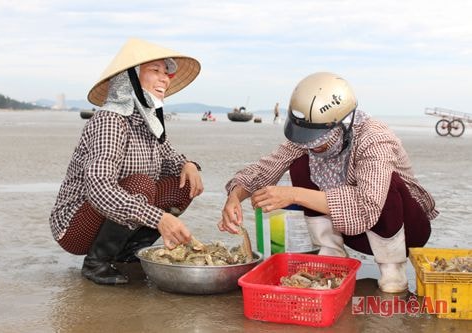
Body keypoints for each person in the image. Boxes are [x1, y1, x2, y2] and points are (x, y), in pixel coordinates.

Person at [219, 72, 438, 293]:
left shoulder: (374, 138)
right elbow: (265, 168)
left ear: (343, 124)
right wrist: (234, 197)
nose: (312, 145)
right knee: (300, 161)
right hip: (354, 231)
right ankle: (331, 253)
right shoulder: (308, 137)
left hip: (405, 230)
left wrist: (293, 194)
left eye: (318, 141)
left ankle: (393, 269)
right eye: (307, 138)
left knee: (386, 180)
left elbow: (367, 206)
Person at [49, 38, 203, 285]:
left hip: (115, 216)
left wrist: (190, 165)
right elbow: (100, 189)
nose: (164, 78)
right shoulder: (111, 121)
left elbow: (170, 157)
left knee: (183, 183)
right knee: (141, 184)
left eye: (166, 72)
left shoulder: (147, 121)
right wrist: (159, 219)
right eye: (155, 71)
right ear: (128, 79)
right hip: (75, 226)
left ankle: (127, 253)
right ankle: (96, 262)